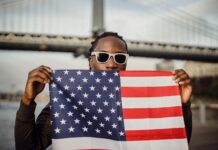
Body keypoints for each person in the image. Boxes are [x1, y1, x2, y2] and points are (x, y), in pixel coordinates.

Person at [15, 32, 192, 150]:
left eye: (119, 57)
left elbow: (174, 142)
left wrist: (183, 105)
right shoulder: (69, 100)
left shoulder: (144, 100)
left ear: (125, 63)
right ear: (91, 61)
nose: (111, 64)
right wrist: (27, 101)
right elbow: (29, 147)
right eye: (103, 56)